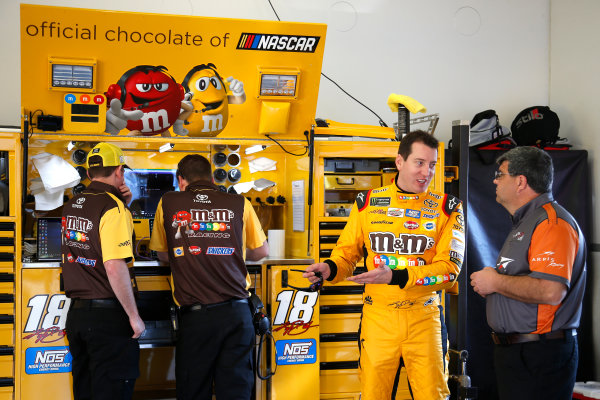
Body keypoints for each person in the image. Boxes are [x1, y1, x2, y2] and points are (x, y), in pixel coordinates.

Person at [304, 130, 464, 400]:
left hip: (425, 319)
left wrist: (396, 276)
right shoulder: (366, 203)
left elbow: (449, 271)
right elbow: (345, 255)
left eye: (432, 164)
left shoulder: (448, 208)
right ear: (400, 162)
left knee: (434, 396)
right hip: (378, 319)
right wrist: (330, 268)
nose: (427, 172)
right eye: (419, 162)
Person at [149, 154, 269, 400]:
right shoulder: (240, 203)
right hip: (238, 315)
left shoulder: (169, 202)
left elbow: (162, 253)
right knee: (236, 392)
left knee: (194, 390)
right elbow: (261, 252)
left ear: (181, 180)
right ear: (213, 177)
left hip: (196, 319)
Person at [470, 146, 586, 400]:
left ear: (521, 181)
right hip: (519, 355)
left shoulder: (552, 224)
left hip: (541, 356)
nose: (495, 180)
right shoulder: (527, 222)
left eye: (500, 174)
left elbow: (551, 290)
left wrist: (494, 281)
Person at [62, 142, 145, 400]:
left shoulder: (73, 204)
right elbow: (114, 265)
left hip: (77, 317)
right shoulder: (112, 208)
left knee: (86, 391)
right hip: (108, 319)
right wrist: (134, 316)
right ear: (119, 171)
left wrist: (124, 204)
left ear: (89, 174)